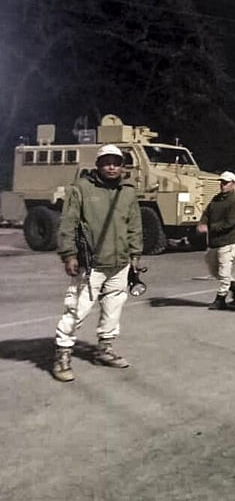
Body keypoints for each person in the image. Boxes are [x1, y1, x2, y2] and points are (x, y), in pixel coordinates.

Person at [51, 144, 143, 382]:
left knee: (114, 307)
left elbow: (134, 224)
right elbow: (68, 223)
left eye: (116, 162)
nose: (111, 166)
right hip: (90, 263)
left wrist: (135, 253)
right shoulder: (81, 188)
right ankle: (62, 355)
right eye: (106, 162)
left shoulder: (129, 191)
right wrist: (69, 254)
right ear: (98, 165)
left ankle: (105, 349)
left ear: (122, 166)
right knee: (77, 309)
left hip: (120, 262)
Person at [198, 171, 235, 310]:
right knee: (213, 269)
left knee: (224, 272)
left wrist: (210, 228)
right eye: (222, 182)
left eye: (226, 183)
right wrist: (202, 222)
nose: (222, 185)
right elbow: (207, 212)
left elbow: (230, 223)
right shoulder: (217, 199)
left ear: (233, 184)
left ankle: (221, 298)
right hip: (214, 242)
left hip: (228, 242)